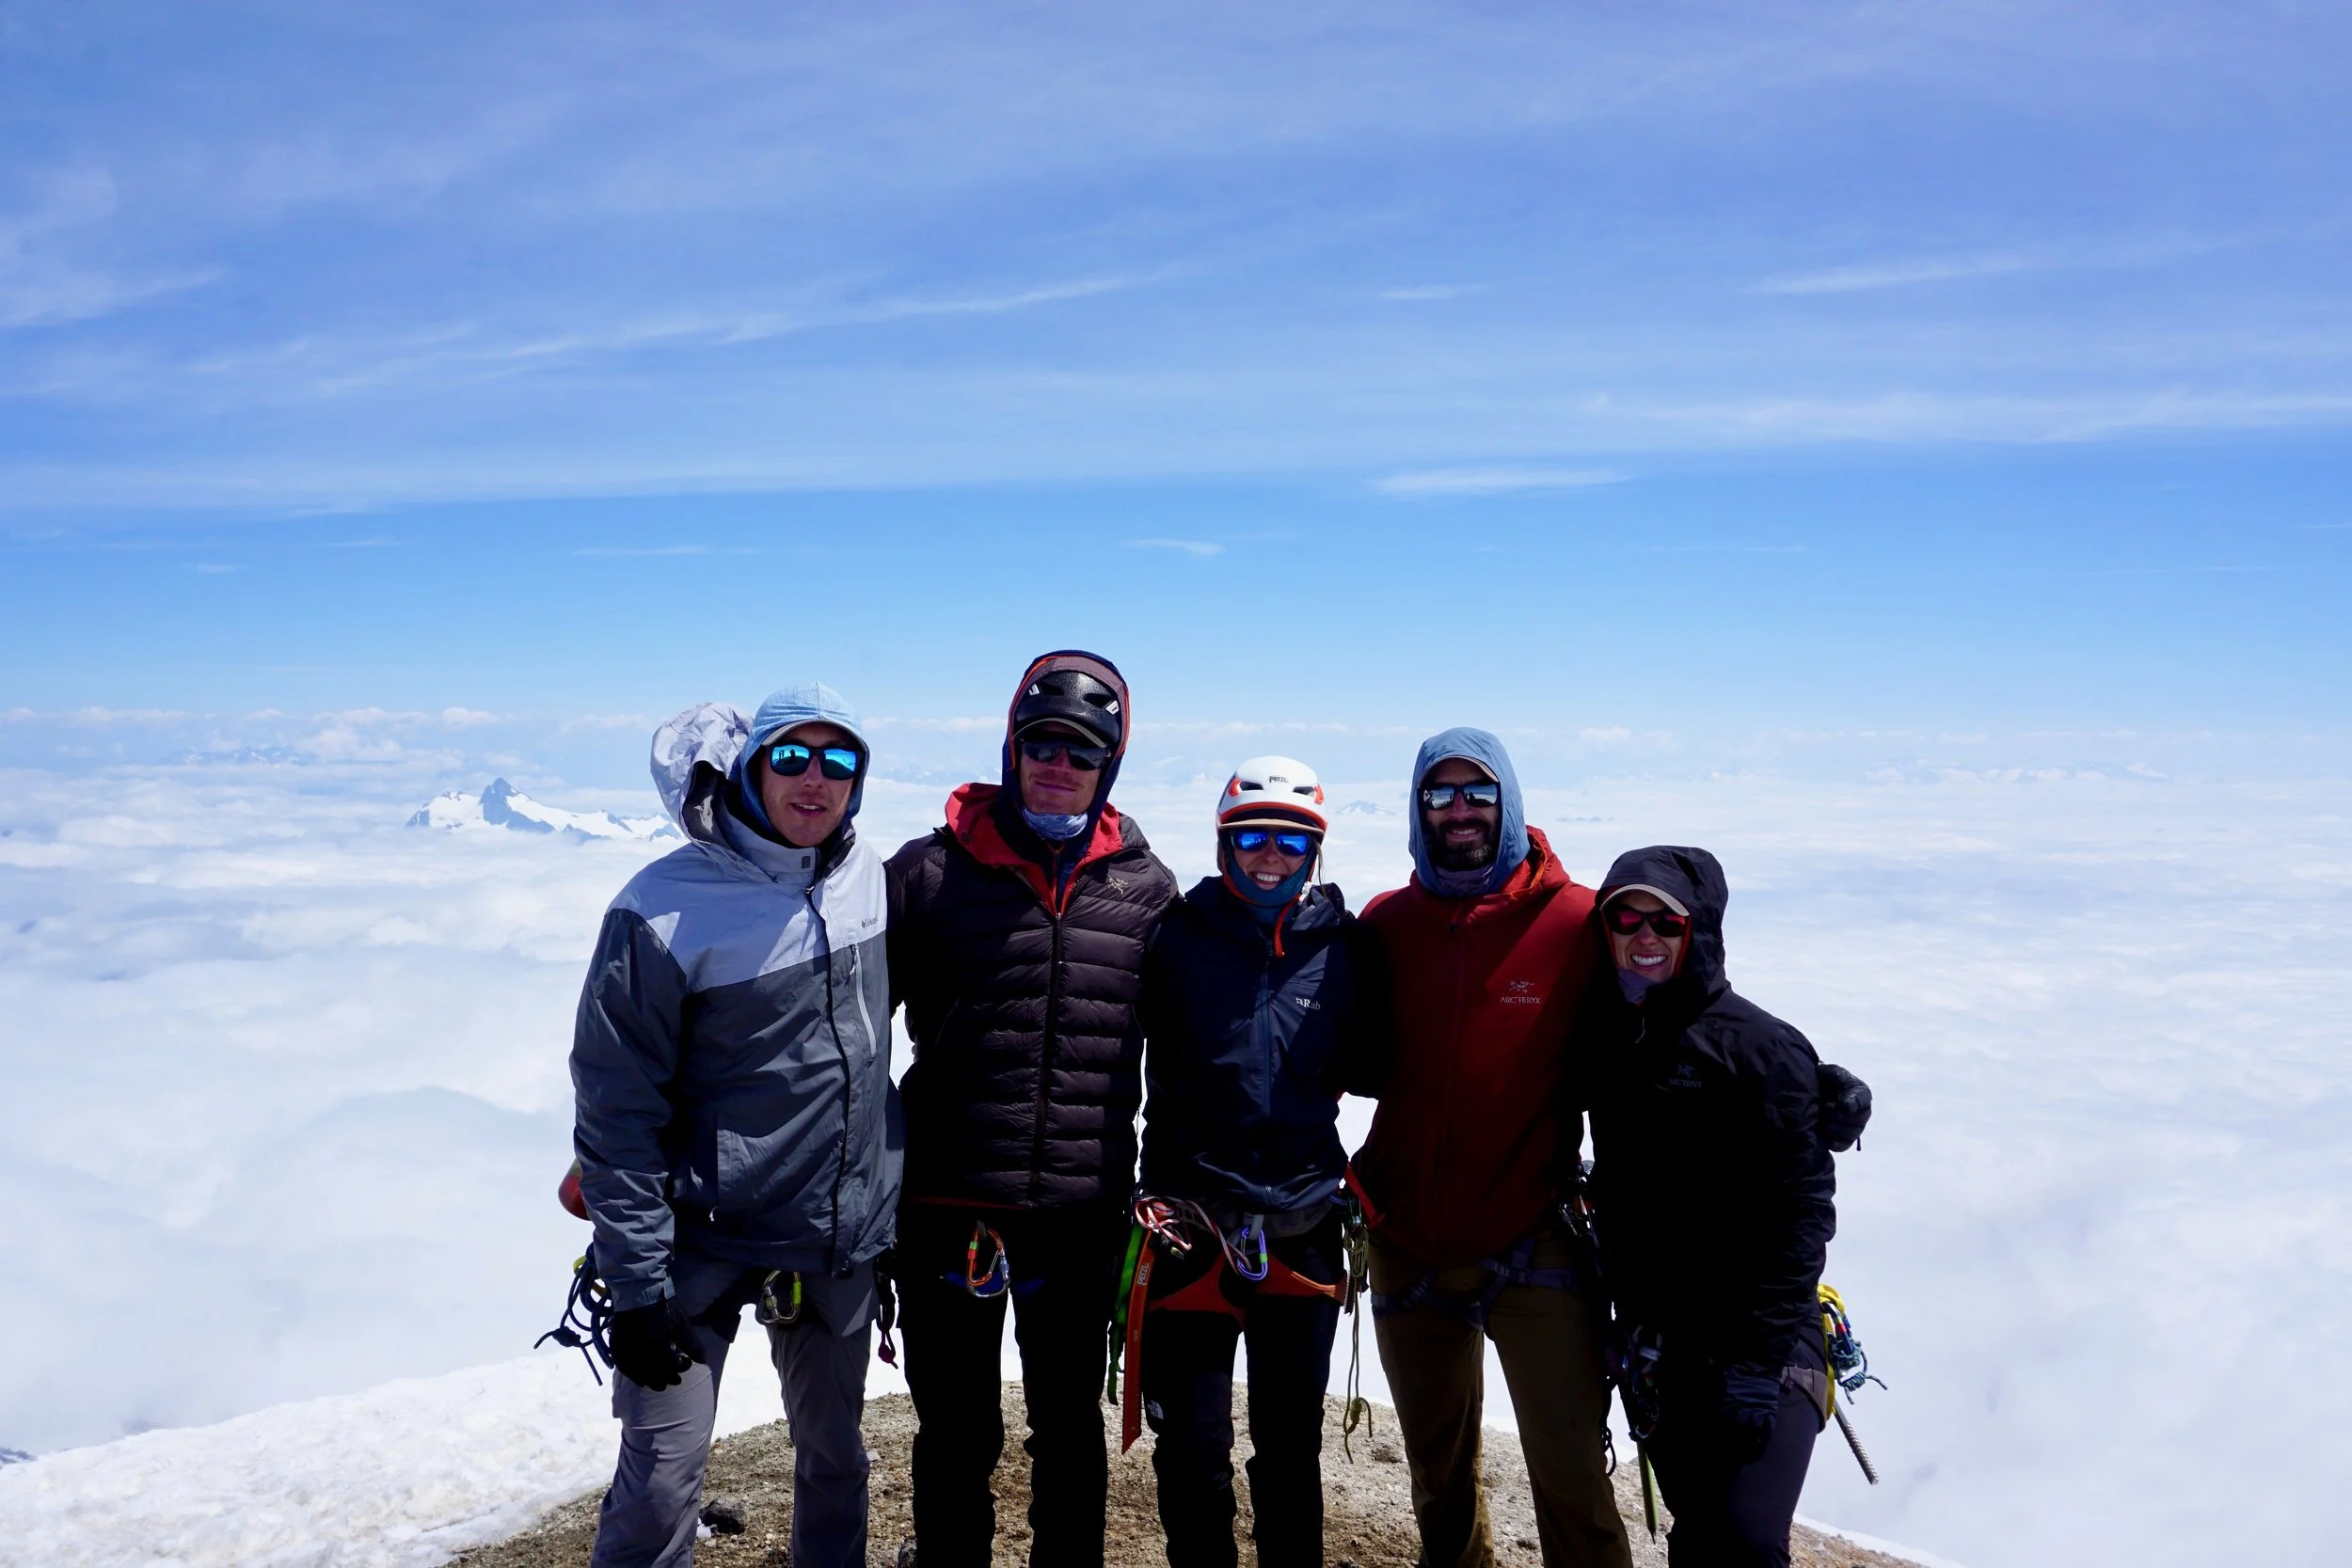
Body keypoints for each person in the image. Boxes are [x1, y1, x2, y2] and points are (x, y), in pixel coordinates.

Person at [568, 687, 901, 1568]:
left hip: (830, 1235)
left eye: (841, 761)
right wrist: (636, 1290)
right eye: (792, 757)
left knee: (835, 1458)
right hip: (694, 1241)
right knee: (661, 1480)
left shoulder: (868, 876)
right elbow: (616, 1108)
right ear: (750, 766)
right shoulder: (660, 910)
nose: (815, 780)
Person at [886, 651, 1179, 1568]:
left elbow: (1183, 1052)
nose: (1058, 762)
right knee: (957, 1433)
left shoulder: (1145, 890)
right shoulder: (928, 875)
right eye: (1040, 742)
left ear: (1111, 764)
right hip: (947, 1209)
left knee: (1067, 1431)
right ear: (1010, 747)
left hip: (1077, 1216)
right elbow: (845, 1034)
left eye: (1081, 751)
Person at [1352, 728, 1632, 1568]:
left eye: (1478, 791)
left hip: (1533, 1233)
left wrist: (1787, 1083)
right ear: (1418, 808)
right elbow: (1332, 1050)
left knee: (1572, 1475)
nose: (1460, 809)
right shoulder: (1387, 924)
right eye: (1441, 794)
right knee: (1439, 1477)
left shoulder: (1576, 918)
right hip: (1405, 1237)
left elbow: (1663, 1026)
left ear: (1508, 800)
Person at [1129, 755, 1386, 1568]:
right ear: (1222, 842)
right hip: (1189, 1227)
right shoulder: (1172, 937)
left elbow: (1393, 1066)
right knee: (1193, 1450)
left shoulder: (1348, 950)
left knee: (1288, 1452)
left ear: (1315, 849)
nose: (1269, 855)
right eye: (1250, 838)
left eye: (1289, 839)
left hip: (1303, 1226)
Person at [1581, 847, 1840, 1568]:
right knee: (1699, 1532)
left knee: (1749, 1543)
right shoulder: (1608, 1037)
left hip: (1763, 1339)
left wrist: (1757, 1364)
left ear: (1699, 929)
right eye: (1624, 917)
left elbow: (1801, 1216)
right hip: (1660, 1344)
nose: (1643, 935)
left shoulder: (1765, 1048)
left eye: (1664, 920)